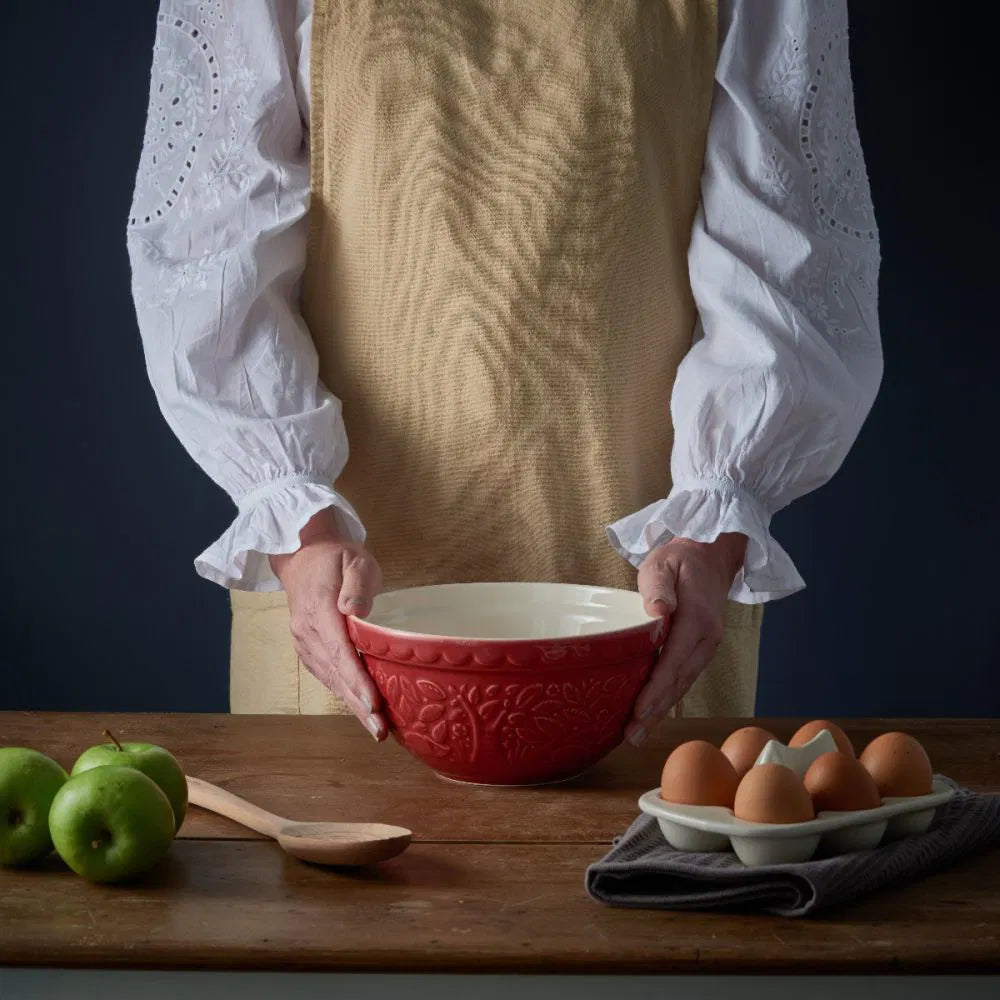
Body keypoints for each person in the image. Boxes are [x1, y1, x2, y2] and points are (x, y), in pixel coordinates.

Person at [127, 0, 881, 746]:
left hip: (647, 597)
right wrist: (297, 529)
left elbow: (786, 258)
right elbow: (209, 261)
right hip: (341, 601)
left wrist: (715, 534)